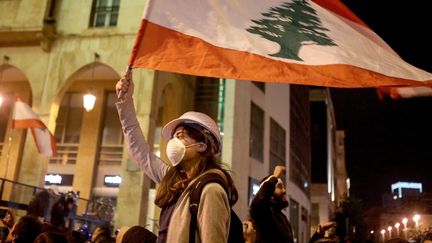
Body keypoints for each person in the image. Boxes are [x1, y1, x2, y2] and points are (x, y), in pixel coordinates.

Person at [115, 69, 238, 243]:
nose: (174, 142)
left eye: (181, 136)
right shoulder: (173, 179)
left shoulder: (211, 190)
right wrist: (125, 101)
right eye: (174, 137)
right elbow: (139, 150)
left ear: (202, 146)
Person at [250, 165, 293, 243]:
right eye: (280, 187)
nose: (284, 190)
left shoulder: (282, 218)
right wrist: (275, 176)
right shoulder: (263, 214)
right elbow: (259, 203)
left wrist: (317, 235)